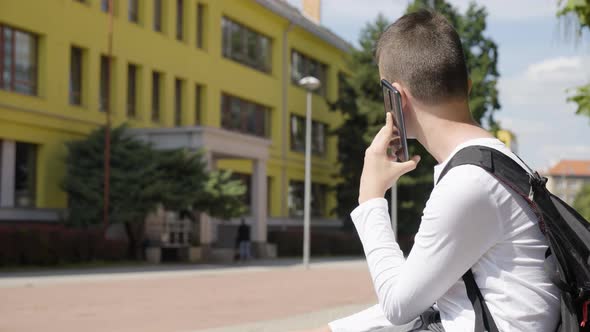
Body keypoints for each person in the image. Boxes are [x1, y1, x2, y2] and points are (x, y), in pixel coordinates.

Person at [305, 10, 560, 332]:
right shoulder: (497, 163)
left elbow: (399, 305)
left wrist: (370, 199)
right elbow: (432, 294)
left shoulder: (469, 182)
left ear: (396, 98)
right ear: (467, 86)